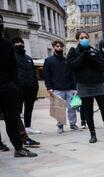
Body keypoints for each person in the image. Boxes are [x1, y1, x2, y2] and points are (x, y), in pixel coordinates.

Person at [67, 31, 104, 144]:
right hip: (83, 84)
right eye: (81, 37)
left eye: (86, 37)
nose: (84, 39)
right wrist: (83, 56)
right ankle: (92, 134)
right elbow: (72, 66)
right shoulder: (74, 51)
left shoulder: (94, 51)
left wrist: (92, 58)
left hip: (98, 83)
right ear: (77, 39)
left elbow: (102, 66)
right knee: (88, 111)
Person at [0, 15, 37, 157]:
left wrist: (14, 85)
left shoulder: (7, 45)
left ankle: (19, 148)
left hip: (7, 87)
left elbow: (13, 67)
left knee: (12, 119)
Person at [44, 39, 79, 134]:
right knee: (59, 108)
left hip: (69, 88)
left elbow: (72, 74)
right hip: (56, 88)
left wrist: (74, 88)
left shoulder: (67, 60)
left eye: (60, 46)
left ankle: (73, 124)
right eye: (57, 46)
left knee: (72, 107)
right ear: (54, 47)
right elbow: (47, 75)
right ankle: (60, 126)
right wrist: (49, 88)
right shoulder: (48, 61)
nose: (59, 48)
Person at [12, 37, 41, 135]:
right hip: (19, 88)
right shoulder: (11, 57)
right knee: (18, 110)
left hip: (31, 88)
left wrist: (35, 86)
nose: (19, 44)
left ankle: (28, 126)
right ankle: (18, 129)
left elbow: (34, 73)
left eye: (21, 42)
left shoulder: (28, 58)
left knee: (29, 108)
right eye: (17, 43)